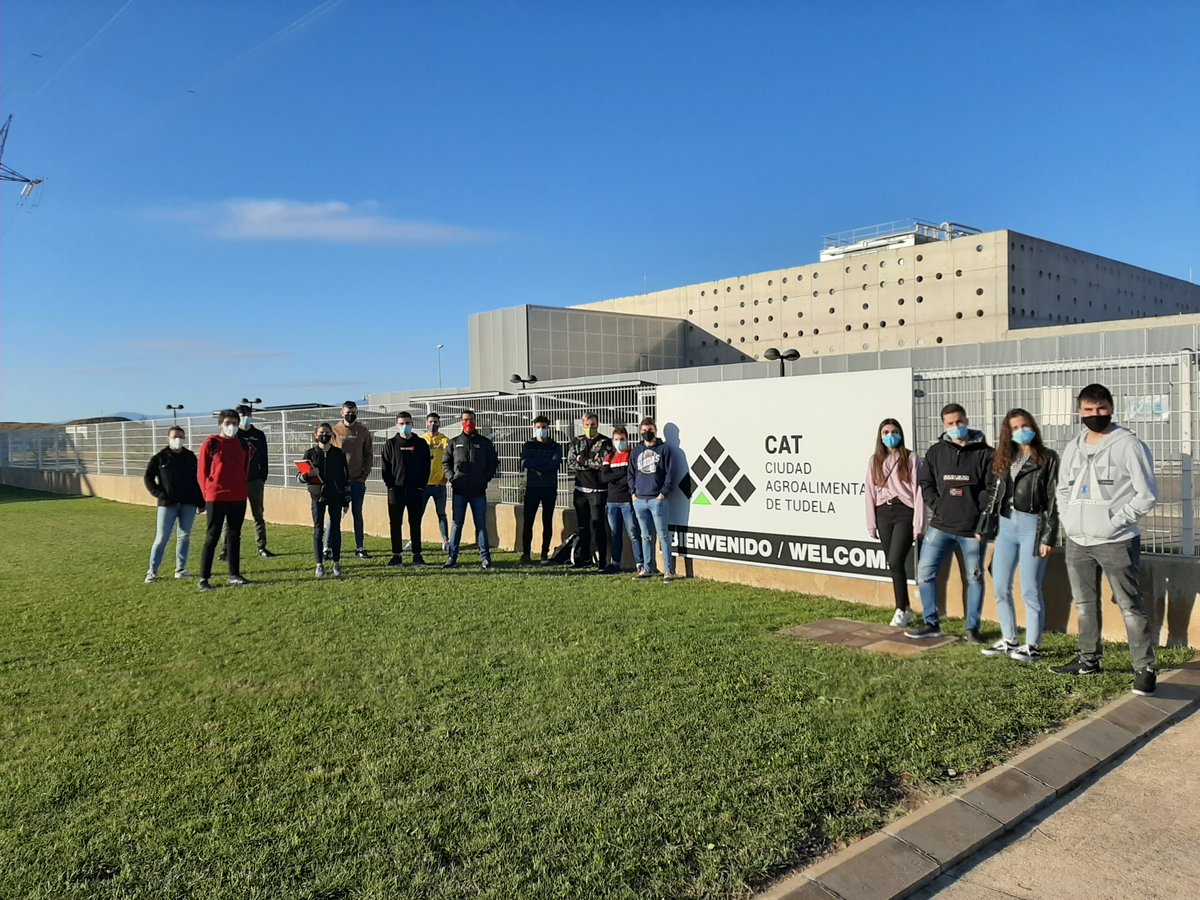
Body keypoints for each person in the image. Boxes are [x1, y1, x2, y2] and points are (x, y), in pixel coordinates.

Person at [1051, 384, 1159, 696]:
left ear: (1111, 408)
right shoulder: (1073, 445)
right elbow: (1063, 488)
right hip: (1078, 540)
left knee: (1129, 605)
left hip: (1116, 540)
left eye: (1100, 409)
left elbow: (1147, 494)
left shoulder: (1128, 445)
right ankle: (1088, 661)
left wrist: (1116, 521)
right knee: (1084, 605)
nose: (1094, 415)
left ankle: (1144, 668)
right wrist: (1068, 519)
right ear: (1079, 412)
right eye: (1088, 410)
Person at [976, 409, 1059, 663]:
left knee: (1030, 588)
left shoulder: (1047, 458)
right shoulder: (1003, 458)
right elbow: (994, 494)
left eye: (1025, 425)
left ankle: (1032, 644)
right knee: (1000, 584)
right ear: (1008, 433)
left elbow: (1054, 498)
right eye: (1015, 428)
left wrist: (1048, 536)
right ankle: (1009, 638)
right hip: (1006, 525)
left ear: (1032, 426)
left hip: (1032, 526)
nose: (1021, 431)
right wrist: (984, 525)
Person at [905, 403, 993, 641]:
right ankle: (931, 623)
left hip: (972, 531)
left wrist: (979, 513)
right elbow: (926, 483)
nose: (956, 427)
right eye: (950, 424)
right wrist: (938, 505)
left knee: (974, 578)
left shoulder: (985, 453)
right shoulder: (935, 452)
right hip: (940, 527)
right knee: (924, 574)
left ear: (967, 420)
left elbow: (991, 488)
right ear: (943, 425)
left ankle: (972, 629)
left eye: (959, 422)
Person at [864, 418, 924, 627]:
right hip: (883, 513)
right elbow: (869, 493)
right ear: (880, 436)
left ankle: (900, 609)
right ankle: (905, 608)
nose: (890, 435)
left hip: (904, 512)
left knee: (897, 560)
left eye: (894, 431)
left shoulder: (912, 458)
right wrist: (871, 523)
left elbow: (918, 492)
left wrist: (919, 523)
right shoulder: (875, 461)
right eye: (886, 432)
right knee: (893, 563)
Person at [197, 409, 254, 592]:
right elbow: (202, 472)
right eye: (228, 423)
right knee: (212, 537)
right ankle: (204, 578)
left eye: (235, 423)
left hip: (237, 497)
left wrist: (242, 489)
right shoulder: (211, 443)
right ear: (220, 424)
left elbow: (244, 469)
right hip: (216, 497)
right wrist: (206, 495)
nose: (232, 426)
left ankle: (234, 574)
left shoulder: (243, 444)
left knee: (234, 536)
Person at [143, 425, 204, 582]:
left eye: (181, 437)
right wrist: (159, 494)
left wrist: (200, 501)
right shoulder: (160, 457)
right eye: (174, 437)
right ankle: (152, 571)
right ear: (168, 439)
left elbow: (196, 481)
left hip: (188, 504)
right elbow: (148, 478)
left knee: (184, 536)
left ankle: (180, 569)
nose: (178, 440)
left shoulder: (190, 457)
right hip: (167, 504)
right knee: (162, 538)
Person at [443, 409, 498, 569]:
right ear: (461, 422)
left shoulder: (484, 442)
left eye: (472, 420)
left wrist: (485, 479)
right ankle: (452, 557)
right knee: (457, 524)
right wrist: (452, 478)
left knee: (481, 526)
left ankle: (486, 559)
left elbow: (493, 463)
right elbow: (446, 462)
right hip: (459, 491)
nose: (469, 423)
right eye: (466, 420)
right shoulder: (453, 442)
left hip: (478, 491)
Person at [629, 417, 679, 583]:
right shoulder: (636, 451)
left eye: (649, 430)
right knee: (645, 536)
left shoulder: (664, 449)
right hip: (640, 500)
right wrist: (633, 494)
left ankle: (669, 571)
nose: (646, 433)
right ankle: (648, 569)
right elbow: (630, 473)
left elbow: (671, 474)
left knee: (663, 536)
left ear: (655, 430)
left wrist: (662, 494)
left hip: (657, 500)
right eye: (643, 430)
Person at [221, 403, 273, 560]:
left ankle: (262, 547)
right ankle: (226, 549)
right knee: (232, 516)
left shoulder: (258, 434)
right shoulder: (234, 436)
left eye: (247, 414)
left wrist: (262, 477)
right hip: (237, 482)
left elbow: (264, 458)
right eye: (241, 415)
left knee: (258, 514)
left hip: (255, 481)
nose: (245, 418)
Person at [298, 423, 351, 578]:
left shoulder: (338, 453)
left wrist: (346, 499)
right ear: (316, 435)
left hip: (335, 495)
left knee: (335, 529)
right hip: (317, 496)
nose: (324, 435)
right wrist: (308, 475)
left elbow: (345, 477)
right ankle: (319, 564)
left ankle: (336, 562)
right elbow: (299, 477)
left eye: (327, 433)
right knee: (318, 529)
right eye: (321, 433)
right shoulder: (310, 454)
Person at [381, 411, 432, 567]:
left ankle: (417, 555)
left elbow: (426, 467)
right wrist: (391, 486)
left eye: (407, 423)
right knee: (395, 523)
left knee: (415, 522)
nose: (405, 426)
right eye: (402, 423)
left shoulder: (421, 443)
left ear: (412, 424)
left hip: (415, 490)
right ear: (397, 425)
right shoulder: (390, 444)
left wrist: (420, 487)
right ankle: (396, 555)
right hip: (396, 491)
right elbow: (385, 468)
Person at [568, 411, 613, 571]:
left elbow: (601, 463)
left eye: (593, 425)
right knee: (583, 527)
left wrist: (583, 460)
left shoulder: (605, 442)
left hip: (598, 491)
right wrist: (588, 462)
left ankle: (602, 562)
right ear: (583, 425)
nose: (590, 427)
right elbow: (571, 463)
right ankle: (585, 558)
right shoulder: (577, 441)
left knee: (598, 527)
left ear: (598, 424)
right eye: (587, 425)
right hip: (580, 491)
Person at [329, 400, 373, 559]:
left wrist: (363, 477)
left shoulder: (362, 430)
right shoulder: (334, 430)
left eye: (353, 412)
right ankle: (328, 548)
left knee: (357, 514)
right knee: (335, 515)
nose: (350, 415)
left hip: (357, 482)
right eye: (347, 412)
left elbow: (369, 455)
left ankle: (360, 547)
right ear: (342, 412)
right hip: (339, 482)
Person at [519, 415, 562, 565]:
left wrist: (537, 465)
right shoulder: (528, 445)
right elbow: (525, 462)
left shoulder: (555, 446)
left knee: (547, 521)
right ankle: (526, 553)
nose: (541, 430)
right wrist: (543, 464)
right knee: (528, 522)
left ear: (548, 428)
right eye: (538, 427)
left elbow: (555, 464)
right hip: (532, 488)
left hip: (549, 488)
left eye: (544, 427)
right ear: (534, 428)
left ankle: (544, 553)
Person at [602, 425, 644, 575]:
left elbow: (631, 477)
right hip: (612, 501)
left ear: (627, 439)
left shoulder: (632, 455)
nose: (620, 442)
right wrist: (622, 476)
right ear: (613, 441)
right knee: (615, 534)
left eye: (622, 439)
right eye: (617, 439)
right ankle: (615, 563)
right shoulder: (609, 457)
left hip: (628, 501)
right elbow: (604, 477)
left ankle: (640, 563)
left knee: (633, 533)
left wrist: (619, 478)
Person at [422, 412, 451, 551]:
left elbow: (450, 461)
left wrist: (445, 479)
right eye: (431, 422)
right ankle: (413, 540)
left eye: (436, 422)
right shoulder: (421, 440)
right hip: (423, 485)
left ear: (439, 423)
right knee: (418, 514)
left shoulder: (445, 440)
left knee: (441, 514)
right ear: (426, 423)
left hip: (439, 485)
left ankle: (445, 540)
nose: (433, 424)